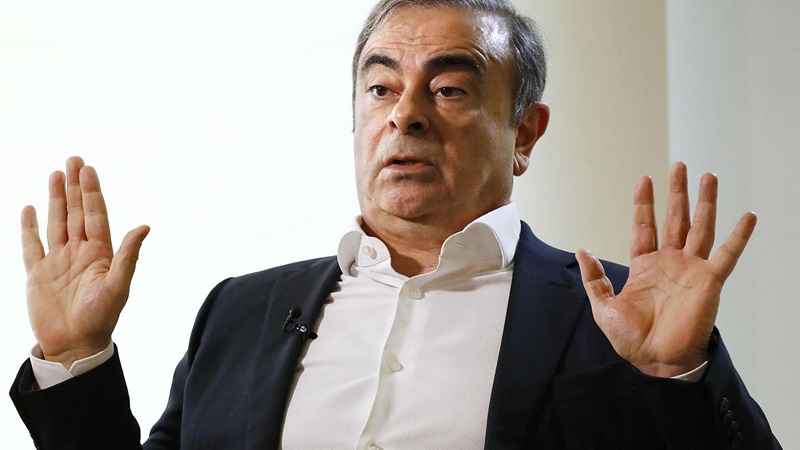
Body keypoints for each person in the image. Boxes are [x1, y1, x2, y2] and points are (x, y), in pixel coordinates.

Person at [10, 0, 782, 448]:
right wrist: (75, 358)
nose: (405, 114)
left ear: (525, 132)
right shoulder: (238, 312)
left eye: (449, 90)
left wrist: (680, 376)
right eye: (381, 88)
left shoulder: (617, 317)